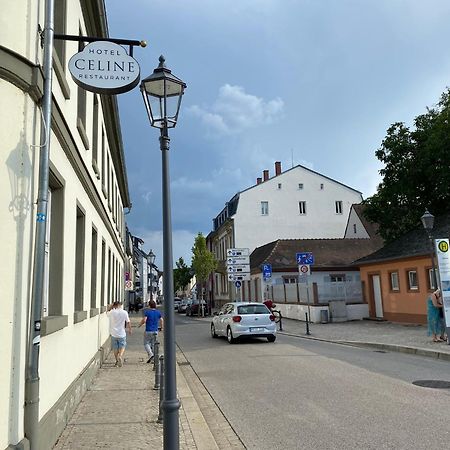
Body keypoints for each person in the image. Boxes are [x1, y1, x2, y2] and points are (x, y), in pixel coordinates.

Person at [107, 301, 132, 367]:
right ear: (120, 305)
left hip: (113, 333)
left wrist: (110, 307)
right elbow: (128, 322)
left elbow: (107, 314)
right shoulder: (124, 312)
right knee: (122, 346)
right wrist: (130, 329)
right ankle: (120, 356)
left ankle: (117, 361)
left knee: (115, 348)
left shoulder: (112, 312)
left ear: (114, 305)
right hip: (122, 333)